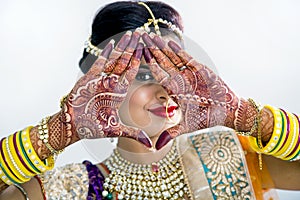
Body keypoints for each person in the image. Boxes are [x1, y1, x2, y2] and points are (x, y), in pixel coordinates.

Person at [0, 1, 300, 199]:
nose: (168, 88)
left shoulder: (230, 156)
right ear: (100, 88)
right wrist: (54, 135)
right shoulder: (68, 190)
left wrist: (247, 117)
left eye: (177, 71)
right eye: (144, 75)